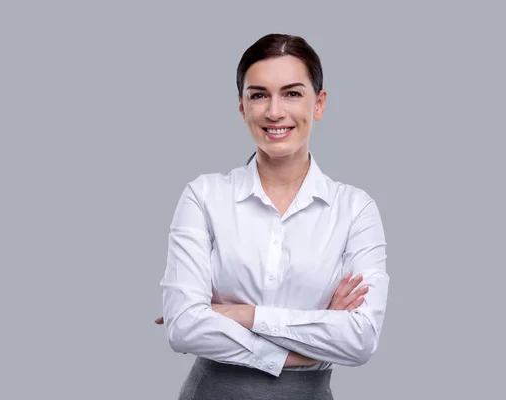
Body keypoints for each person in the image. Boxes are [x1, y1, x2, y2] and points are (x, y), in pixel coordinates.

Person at [155, 33, 389, 400]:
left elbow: (359, 341)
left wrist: (239, 314)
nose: (274, 111)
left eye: (292, 93)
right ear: (241, 106)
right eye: (259, 94)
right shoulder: (204, 196)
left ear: (319, 103)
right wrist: (310, 338)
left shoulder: (355, 209)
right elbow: (184, 328)